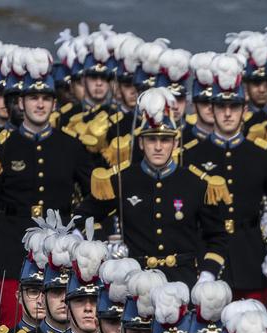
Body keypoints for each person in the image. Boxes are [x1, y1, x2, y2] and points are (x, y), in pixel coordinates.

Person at [0, 50, 94, 329]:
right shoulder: (1, 148)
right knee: (8, 322)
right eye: (33, 98)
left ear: (54, 103)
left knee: (56, 322)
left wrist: (78, 226)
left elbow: (96, 194)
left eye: (46, 98)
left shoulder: (71, 147)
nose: (40, 104)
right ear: (21, 102)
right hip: (8, 248)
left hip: (59, 245)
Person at [74, 87, 229, 286]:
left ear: (175, 143)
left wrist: (208, 274)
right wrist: (104, 244)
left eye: (165, 140)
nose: (157, 147)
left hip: (182, 282)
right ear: (140, 143)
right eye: (151, 139)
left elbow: (217, 236)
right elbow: (82, 217)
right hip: (134, 282)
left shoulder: (196, 183)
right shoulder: (122, 179)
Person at [185, 53, 267, 301]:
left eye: (234, 107)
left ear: (244, 110)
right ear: (212, 108)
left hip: (250, 257)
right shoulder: (191, 156)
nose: (228, 113)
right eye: (221, 106)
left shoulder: (262, 156)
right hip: (205, 257)